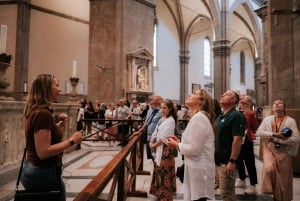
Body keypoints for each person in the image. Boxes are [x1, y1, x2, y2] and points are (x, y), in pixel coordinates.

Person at [20, 74, 83, 201]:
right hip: (43, 173)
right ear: (46, 88)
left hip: (34, 170)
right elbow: (43, 152)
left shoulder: (35, 110)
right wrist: (72, 140)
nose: (59, 89)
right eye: (56, 85)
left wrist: (58, 126)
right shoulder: (43, 114)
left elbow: (41, 139)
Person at [167, 89, 216, 201]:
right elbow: (194, 142)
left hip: (200, 170)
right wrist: (179, 141)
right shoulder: (197, 117)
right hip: (196, 169)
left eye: (194, 94)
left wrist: (177, 144)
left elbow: (195, 149)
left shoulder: (199, 118)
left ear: (201, 101)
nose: (189, 94)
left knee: (198, 198)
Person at [256, 99, 300, 201]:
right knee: (269, 168)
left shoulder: (290, 121)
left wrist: (278, 140)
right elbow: (259, 132)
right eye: (275, 103)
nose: (276, 104)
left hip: (283, 151)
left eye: (279, 103)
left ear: (284, 107)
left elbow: (296, 138)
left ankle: (280, 198)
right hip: (269, 149)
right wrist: (273, 134)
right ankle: (268, 189)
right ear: (272, 107)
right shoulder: (268, 119)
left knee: (283, 180)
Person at [214, 90, 245, 201]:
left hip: (227, 161)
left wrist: (232, 161)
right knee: (225, 191)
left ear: (233, 100)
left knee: (227, 193)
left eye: (226, 94)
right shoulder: (220, 116)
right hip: (218, 159)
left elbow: (237, 139)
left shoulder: (236, 116)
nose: (222, 95)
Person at [149, 99, 177, 201]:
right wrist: (151, 141)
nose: (162, 110)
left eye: (164, 108)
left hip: (166, 150)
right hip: (158, 148)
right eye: (161, 108)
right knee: (158, 171)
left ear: (170, 109)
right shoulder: (162, 119)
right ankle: (159, 194)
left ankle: (165, 197)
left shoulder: (171, 120)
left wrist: (154, 145)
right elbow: (155, 131)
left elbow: (164, 138)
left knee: (164, 173)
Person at [235, 95, 258, 195]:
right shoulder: (236, 111)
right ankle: (242, 179)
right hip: (237, 139)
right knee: (238, 159)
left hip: (247, 140)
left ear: (248, 102)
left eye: (244, 99)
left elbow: (254, 127)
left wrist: (248, 131)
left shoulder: (251, 113)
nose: (241, 100)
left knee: (249, 162)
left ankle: (253, 185)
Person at [133, 95, 162, 159]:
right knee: (151, 157)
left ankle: (157, 169)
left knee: (157, 158)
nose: (151, 99)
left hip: (157, 138)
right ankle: (155, 169)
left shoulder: (161, 111)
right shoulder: (150, 110)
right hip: (149, 137)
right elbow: (146, 122)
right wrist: (139, 131)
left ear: (158, 101)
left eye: (153, 99)